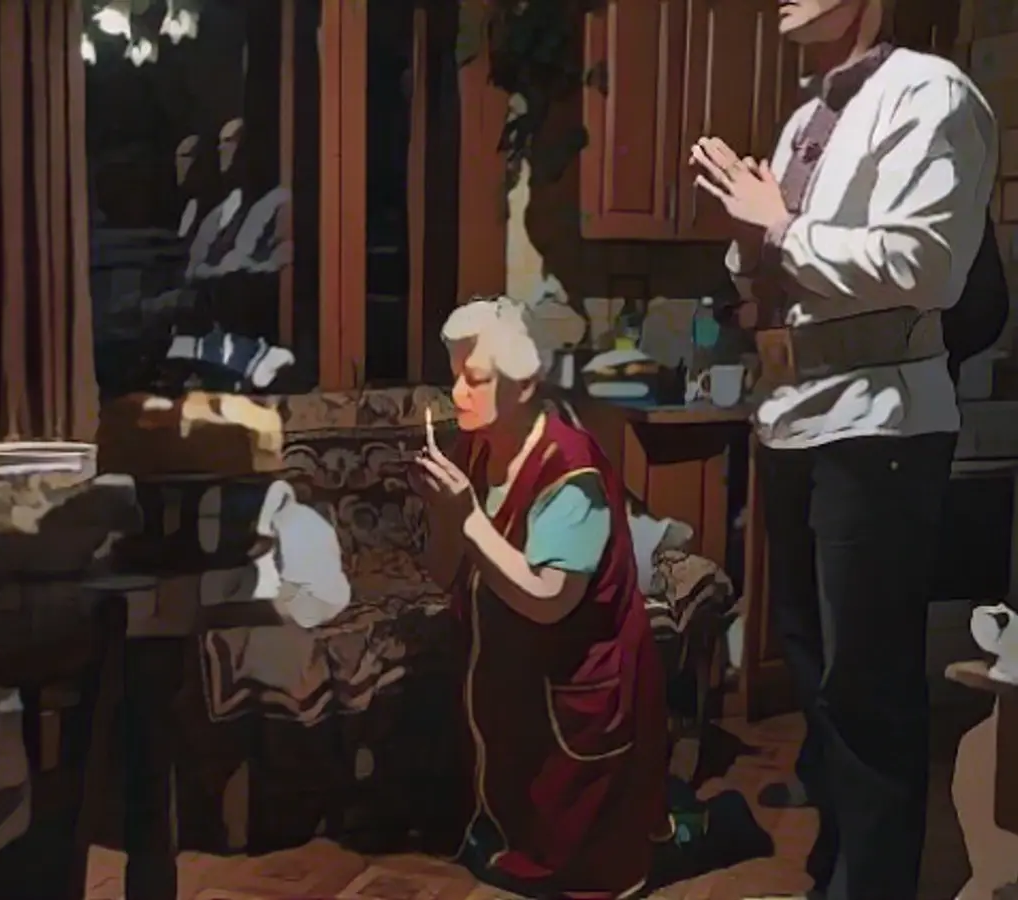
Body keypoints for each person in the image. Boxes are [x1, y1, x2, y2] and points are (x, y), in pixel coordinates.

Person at [688, 0, 998, 897]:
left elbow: (927, 266)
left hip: (881, 427)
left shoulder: (933, 94)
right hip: (795, 417)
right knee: (819, 681)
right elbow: (777, 278)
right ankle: (838, 871)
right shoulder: (802, 117)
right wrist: (751, 238)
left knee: (868, 695)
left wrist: (780, 226)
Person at [412, 295, 669, 899]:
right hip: (517, 693)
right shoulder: (473, 451)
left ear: (523, 385)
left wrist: (468, 520)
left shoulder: (569, 471)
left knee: (579, 861)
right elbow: (441, 572)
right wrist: (443, 518)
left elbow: (550, 598)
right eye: (454, 375)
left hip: (578, 697)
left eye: (474, 378)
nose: (457, 393)